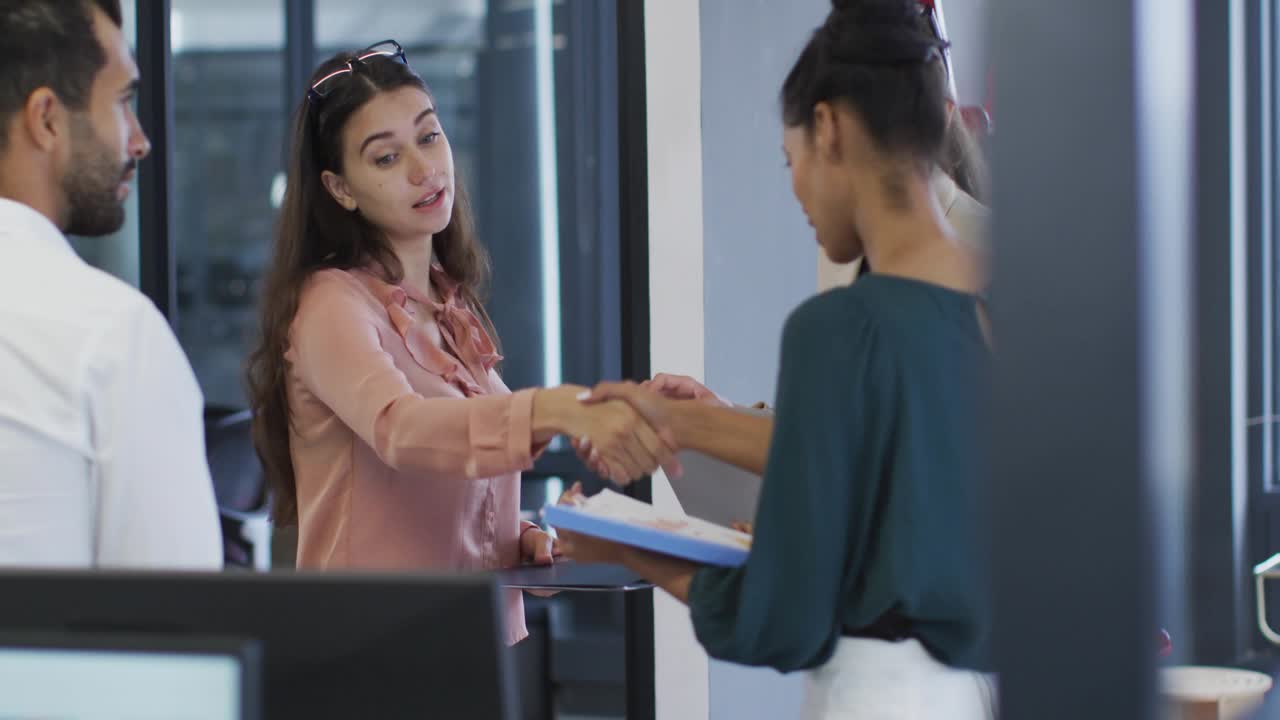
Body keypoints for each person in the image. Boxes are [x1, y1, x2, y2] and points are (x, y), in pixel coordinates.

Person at [557, 1, 996, 717]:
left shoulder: (839, 330)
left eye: (789, 160)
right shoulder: (1005, 295)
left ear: (828, 130)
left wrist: (629, 549)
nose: (796, 192)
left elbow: (783, 621)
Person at [245, 41, 672, 645]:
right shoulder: (330, 305)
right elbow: (403, 430)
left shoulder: (450, 308)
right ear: (340, 189)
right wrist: (552, 409)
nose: (425, 169)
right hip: (371, 655)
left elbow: (443, 492)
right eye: (387, 157)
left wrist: (520, 540)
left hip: (472, 649)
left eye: (429, 136)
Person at [0, 0, 221, 569]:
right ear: (47, 119)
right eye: (123, 101)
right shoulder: (110, 336)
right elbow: (178, 636)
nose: (139, 140)